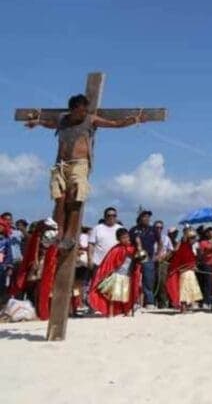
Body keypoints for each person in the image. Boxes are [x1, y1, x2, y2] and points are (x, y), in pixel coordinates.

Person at [24, 95, 150, 249]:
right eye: (80, 111)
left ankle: (70, 235)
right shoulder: (62, 119)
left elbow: (115, 123)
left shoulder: (90, 120)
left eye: (85, 111)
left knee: (75, 197)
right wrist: (36, 122)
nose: (83, 114)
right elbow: (49, 123)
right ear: (73, 109)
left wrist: (135, 119)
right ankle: (58, 232)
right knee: (60, 199)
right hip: (60, 164)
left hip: (80, 163)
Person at [8, 220, 60, 319]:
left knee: (40, 288)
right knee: (36, 287)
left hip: (45, 263)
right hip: (41, 264)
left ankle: (40, 309)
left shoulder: (44, 235)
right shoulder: (40, 236)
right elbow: (37, 250)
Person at [89, 228, 142, 317]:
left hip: (128, 276)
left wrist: (139, 245)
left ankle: (127, 311)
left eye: (127, 237)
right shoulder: (115, 249)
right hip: (117, 275)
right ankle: (110, 312)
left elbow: (142, 258)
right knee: (112, 296)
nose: (126, 239)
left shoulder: (133, 249)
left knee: (126, 296)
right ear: (118, 239)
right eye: (123, 238)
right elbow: (109, 264)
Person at [166, 228, 203, 312]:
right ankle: (183, 307)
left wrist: (193, 267)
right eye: (193, 238)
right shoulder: (183, 248)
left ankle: (186, 306)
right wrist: (190, 267)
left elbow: (191, 260)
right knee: (184, 289)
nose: (194, 240)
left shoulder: (189, 247)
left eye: (195, 237)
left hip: (190, 272)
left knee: (189, 289)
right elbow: (181, 264)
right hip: (185, 273)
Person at [129, 210, 158, 308]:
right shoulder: (133, 230)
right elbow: (129, 243)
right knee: (134, 278)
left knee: (148, 280)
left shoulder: (153, 229)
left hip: (148, 257)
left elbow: (160, 242)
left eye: (148, 217)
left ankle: (149, 302)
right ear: (140, 218)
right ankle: (133, 301)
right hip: (135, 258)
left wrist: (157, 255)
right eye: (144, 217)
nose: (147, 219)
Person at [89, 207, 124, 272]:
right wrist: (90, 259)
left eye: (114, 215)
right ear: (104, 217)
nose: (111, 217)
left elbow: (125, 245)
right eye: (109, 215)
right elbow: (91, 244)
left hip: (115, 264)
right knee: (97, 282)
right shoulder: (97, 228)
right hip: (98, 263)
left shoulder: (121, 229)